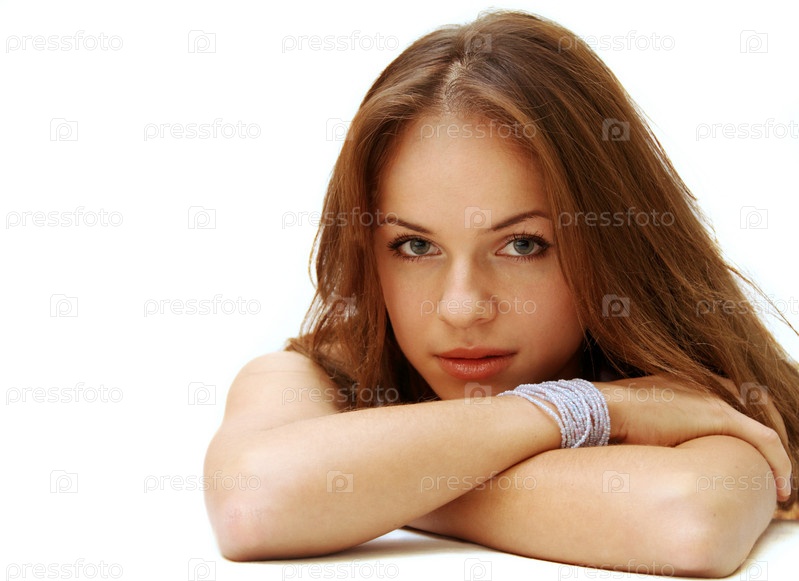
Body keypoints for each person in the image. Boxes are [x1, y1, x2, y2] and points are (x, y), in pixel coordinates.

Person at [203, 9, 798, 576]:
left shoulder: (697, 400)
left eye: (522, 245)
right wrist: (598, 408)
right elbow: (251, 505)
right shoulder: (310, 377)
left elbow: (688, 522)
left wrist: (365, 489)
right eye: (415, 246)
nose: (462, 308)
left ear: (613, 244)